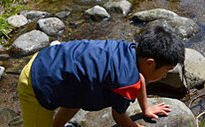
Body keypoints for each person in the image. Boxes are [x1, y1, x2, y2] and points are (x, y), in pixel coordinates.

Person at [17, 25, 185, 127]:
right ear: (150, 62)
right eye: (166, 70)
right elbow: (119, 117)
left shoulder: (132, 50)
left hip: (53, 62)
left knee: (78, 94)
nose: (164, 76)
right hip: (36, 82)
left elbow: (140, 79)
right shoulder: (126, 81)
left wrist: (146, 109)